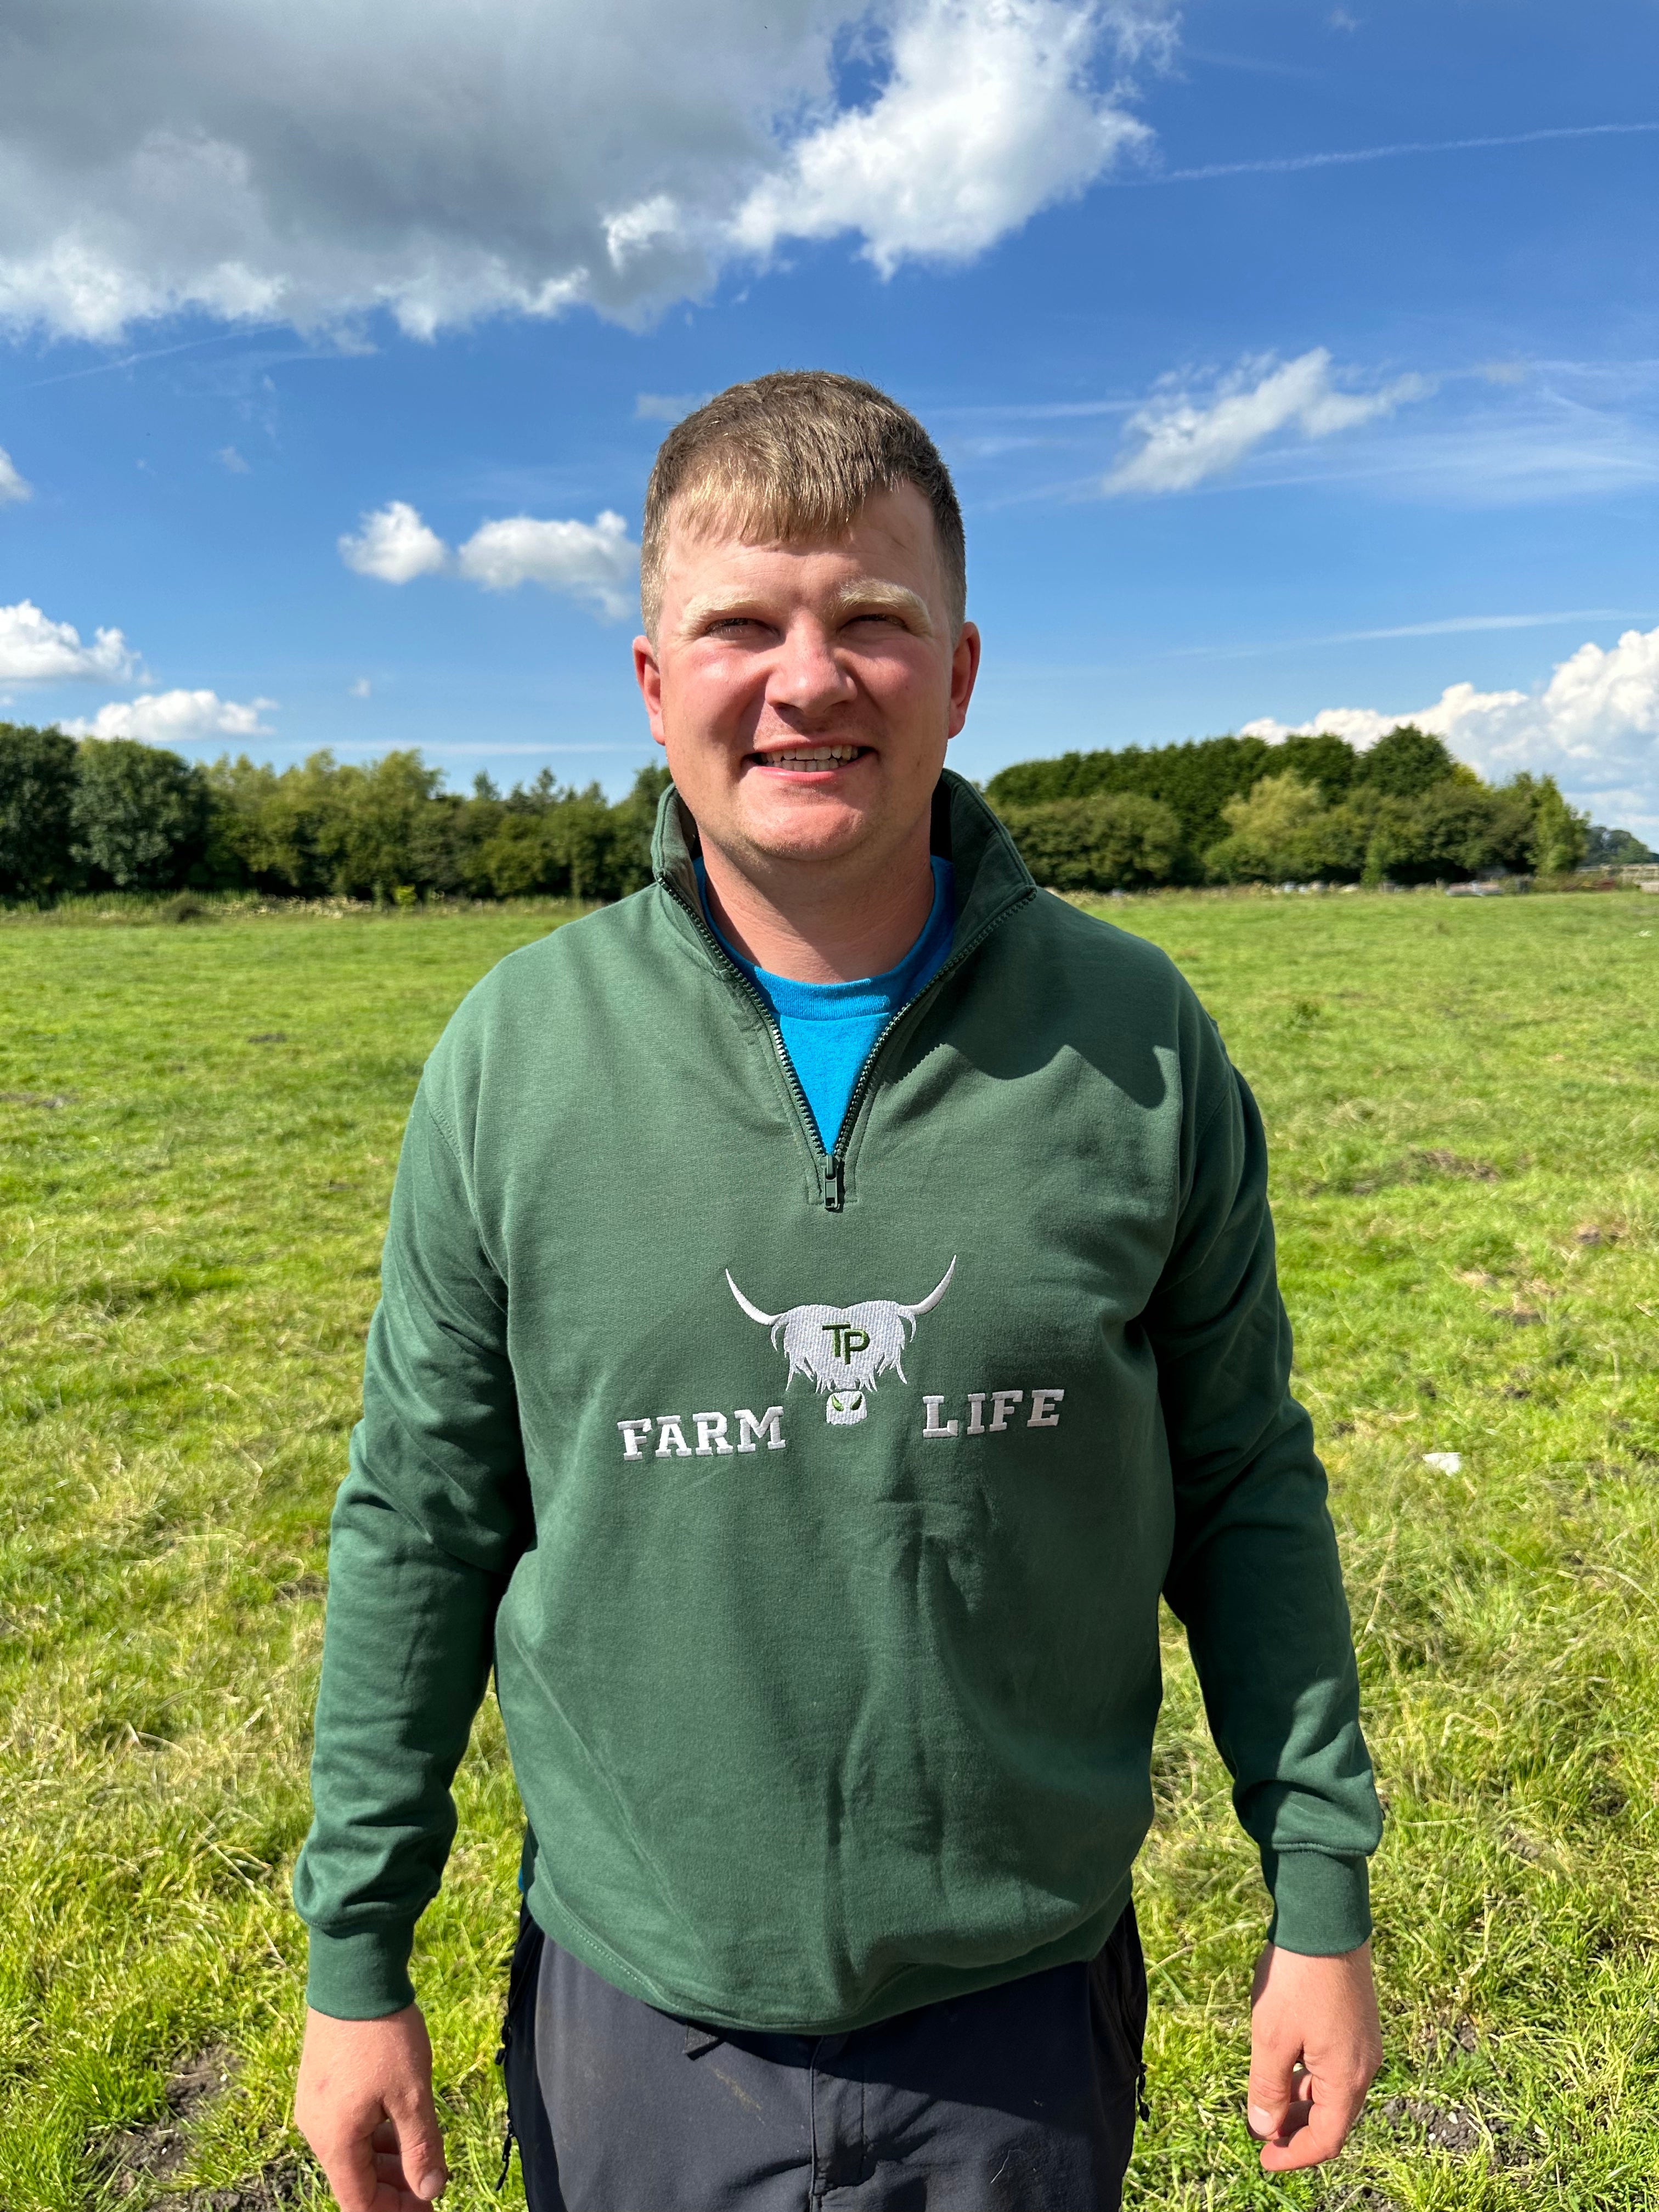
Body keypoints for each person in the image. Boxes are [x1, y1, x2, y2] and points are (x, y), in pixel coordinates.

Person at [292, 371, 1384, 2211]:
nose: (809, 679)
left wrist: (1322, 1897)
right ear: (656, 684)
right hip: (640, 2007)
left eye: (874, 620)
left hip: (1022, 2010)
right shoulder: (513, 1055)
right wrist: (355, 1953)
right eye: (743, 625)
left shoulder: (1138, 1043)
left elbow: (1247, 1482)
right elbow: (421, 1516)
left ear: (959, 674)